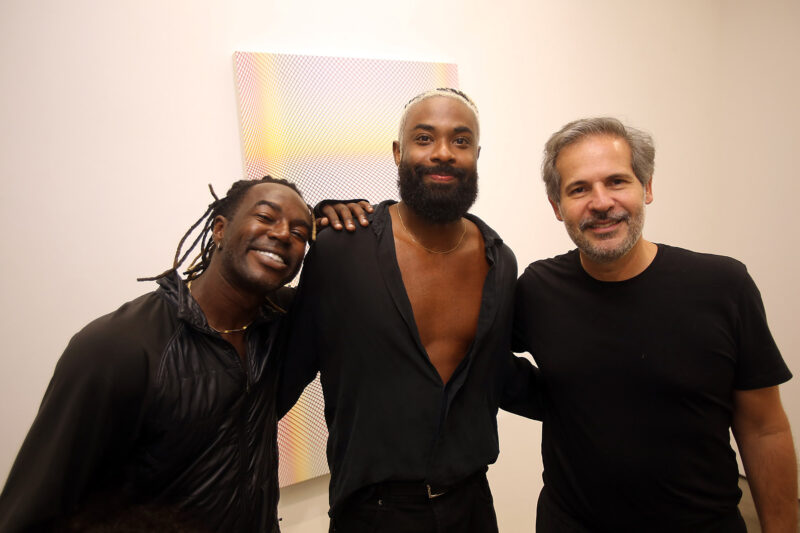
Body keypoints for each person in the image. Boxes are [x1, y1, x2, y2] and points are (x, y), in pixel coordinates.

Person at [513, 117, 797, 532]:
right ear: (557, 207)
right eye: (579, 189)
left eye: (617, 181)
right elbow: (477, 355)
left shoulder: (723, 286)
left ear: (646, 187)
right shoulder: (539, 289)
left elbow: (764, 428)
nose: (601, 202)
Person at [280, 88, 540, 533]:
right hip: (372, 513)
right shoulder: (342, 250)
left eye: (460, 141)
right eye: (424, 138)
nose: (443, 152)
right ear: (398, 152)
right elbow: (285, 373)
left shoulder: (499, 261)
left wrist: (596, 405)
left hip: (471, 505)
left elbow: (495, 373)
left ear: (476, 156)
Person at [0, 177, 315, 532]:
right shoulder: (118, 347)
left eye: (300, 233)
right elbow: (34, 511)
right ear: (220, 229)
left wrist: (336, 216)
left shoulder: (279, 326)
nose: (283, 234)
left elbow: (337, 286)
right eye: (266, 217)